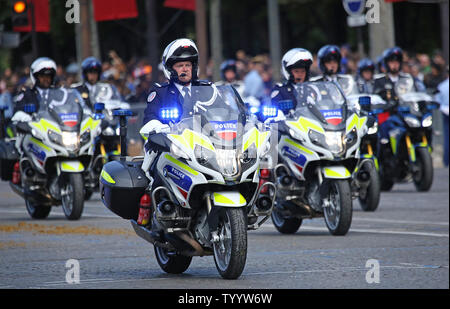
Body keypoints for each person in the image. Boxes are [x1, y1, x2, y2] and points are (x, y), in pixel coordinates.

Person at [140, 38, 213, 234]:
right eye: (180, 65)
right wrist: (158, 128)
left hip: (203, 146)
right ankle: (152, 209)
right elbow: (149, 119)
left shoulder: (207, 90)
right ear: (170, 68)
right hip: (171, 146)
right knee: (150, 169)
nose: (184, 69)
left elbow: (223, 112)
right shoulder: (160, 92)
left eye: (188, 65)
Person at [434, 66, 449, 167]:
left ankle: (446, 160)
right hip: (445, 112)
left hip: (445, 111)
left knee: (447, 137)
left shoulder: (442, 85)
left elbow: (437, 101)